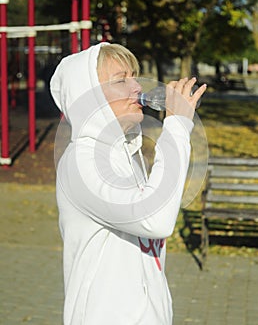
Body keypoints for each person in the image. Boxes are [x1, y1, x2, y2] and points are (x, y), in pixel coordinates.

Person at [50, 42, 206, 325]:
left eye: (134, 76)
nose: (137, 87)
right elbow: (154, 219)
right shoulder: (81, 162)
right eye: (121, 80)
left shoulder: (125, 155)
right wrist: (177, 126)